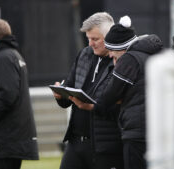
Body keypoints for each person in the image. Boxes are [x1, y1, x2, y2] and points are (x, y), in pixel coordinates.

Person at [69, 16, 163, 169]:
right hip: (155, 129)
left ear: (122, 47)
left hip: (136, 133)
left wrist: (93, 106)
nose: (111, 55)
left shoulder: (129, 59)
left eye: (112, 50)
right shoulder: (151, 55)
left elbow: (110, 95)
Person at [53, 12, 124, 169]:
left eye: (95, 39)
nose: (91, 44)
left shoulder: (122, 61)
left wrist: (93, 106)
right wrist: (60, 95)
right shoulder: (84, 54)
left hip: (104, 145)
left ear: (109, 37)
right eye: (88, 39)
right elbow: (69, 91)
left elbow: (120, 105)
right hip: (75, 141)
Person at [0, 19, 39, 169]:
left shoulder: (4, 57)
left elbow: (8, 94)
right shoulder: (12, 55)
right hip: (12, 136)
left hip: (8, 137)